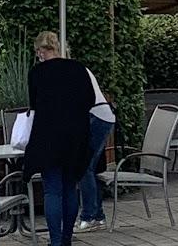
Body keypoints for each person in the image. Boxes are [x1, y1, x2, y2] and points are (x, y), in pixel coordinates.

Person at [24, 32, 93, 246]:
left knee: (52, 190)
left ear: (41, 51)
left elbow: (34, 103)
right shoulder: (78, 69)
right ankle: (66, 239)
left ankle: (55, 242)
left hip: (48, 136)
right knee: (70, 187)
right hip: (75, 136)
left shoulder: (37, 73)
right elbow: (90, 100)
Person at [75, 68, 116, 232]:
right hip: (100, 116)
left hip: (96, 117)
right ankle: (97, 216)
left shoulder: (73, 72)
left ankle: (89, 216)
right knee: (90, 167)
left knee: (85, 167)